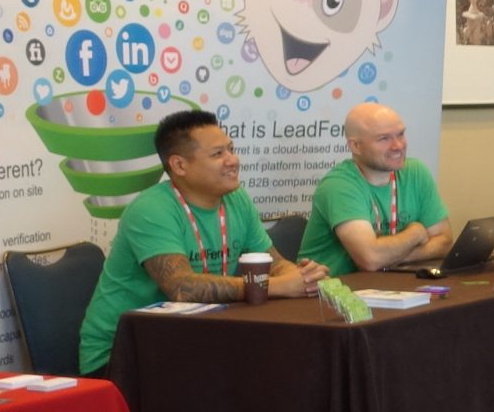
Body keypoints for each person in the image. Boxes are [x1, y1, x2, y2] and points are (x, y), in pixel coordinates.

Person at [78, 109, 326, 374]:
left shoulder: (236, 199)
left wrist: (301, 278)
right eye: (218, 154)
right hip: (123, 355)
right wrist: (275, 286)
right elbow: (182, 288)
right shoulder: (151, 209)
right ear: (179, 165)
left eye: (231, 149)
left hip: (198, 340)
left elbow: (274, 263)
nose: (233, 160)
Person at [297, 103, 452, 275]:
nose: (398, 146)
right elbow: (370, 259)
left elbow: (444, 241)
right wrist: (415, 233)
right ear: (356, 146)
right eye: (384, 139)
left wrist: (392, 257)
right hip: (333, 288)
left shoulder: (415, 172)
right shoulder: (338, 185)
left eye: (400, 134)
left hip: (388, 283)